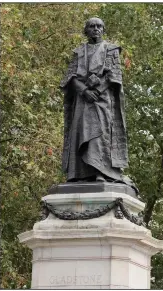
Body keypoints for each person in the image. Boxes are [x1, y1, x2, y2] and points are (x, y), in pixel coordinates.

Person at [60, 17, 129, 183]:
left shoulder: (111, 50)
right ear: (86, 30)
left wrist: (97, 90)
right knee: (79, 132)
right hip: (82, 100)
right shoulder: (78, 52)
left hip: (102, 100)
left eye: (99, 26)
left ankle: (100, 171)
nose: (95, 29)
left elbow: (114, 75)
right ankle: (79, 173)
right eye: (92, 26)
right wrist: (84, 91)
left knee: (100, 134)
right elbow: (70, 78)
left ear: (103, 30)